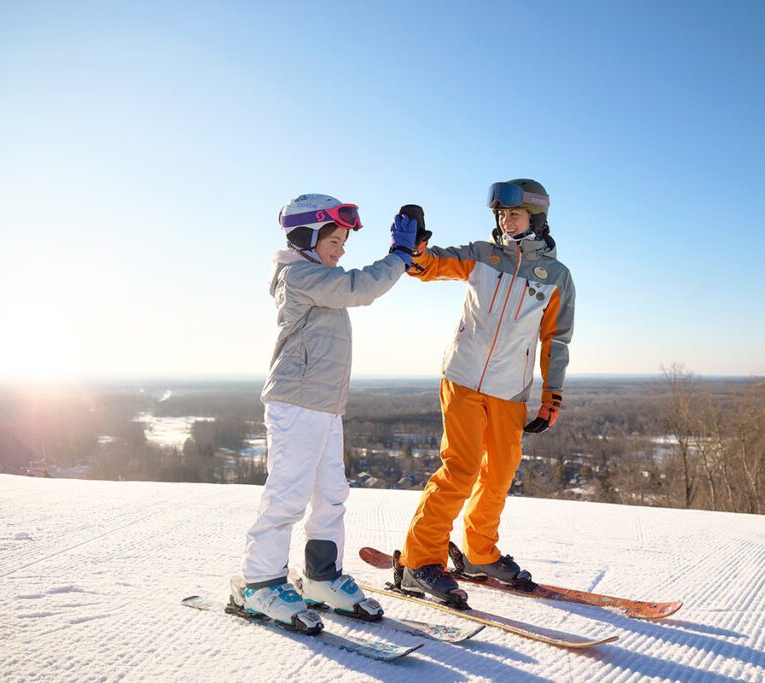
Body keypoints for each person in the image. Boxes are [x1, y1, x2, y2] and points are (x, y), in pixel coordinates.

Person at [230, 193, 418, 632]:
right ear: (305, 236)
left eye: (343, 243)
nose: (340, 250)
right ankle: (260, 583)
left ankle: (321, 578)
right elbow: (361, 288)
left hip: (324, 407)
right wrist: (399, 256)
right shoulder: (299, 276)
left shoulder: (316, 275)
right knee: (288, 496)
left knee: (332, 494)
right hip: (296, 404)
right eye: (334, 240)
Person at [397, 179, 575, 602]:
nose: (505, 220)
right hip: (462, 379)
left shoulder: (557, 278)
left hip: (510, 391)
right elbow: (429, 266)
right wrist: (415, 250)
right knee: (460, 469)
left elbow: (557, 340)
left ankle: (479, 553)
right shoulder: (482, 255)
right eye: (500, 214)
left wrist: (553, 397)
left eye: (513, 214)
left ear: (536, 217)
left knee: (498, 474)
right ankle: (418, 561)